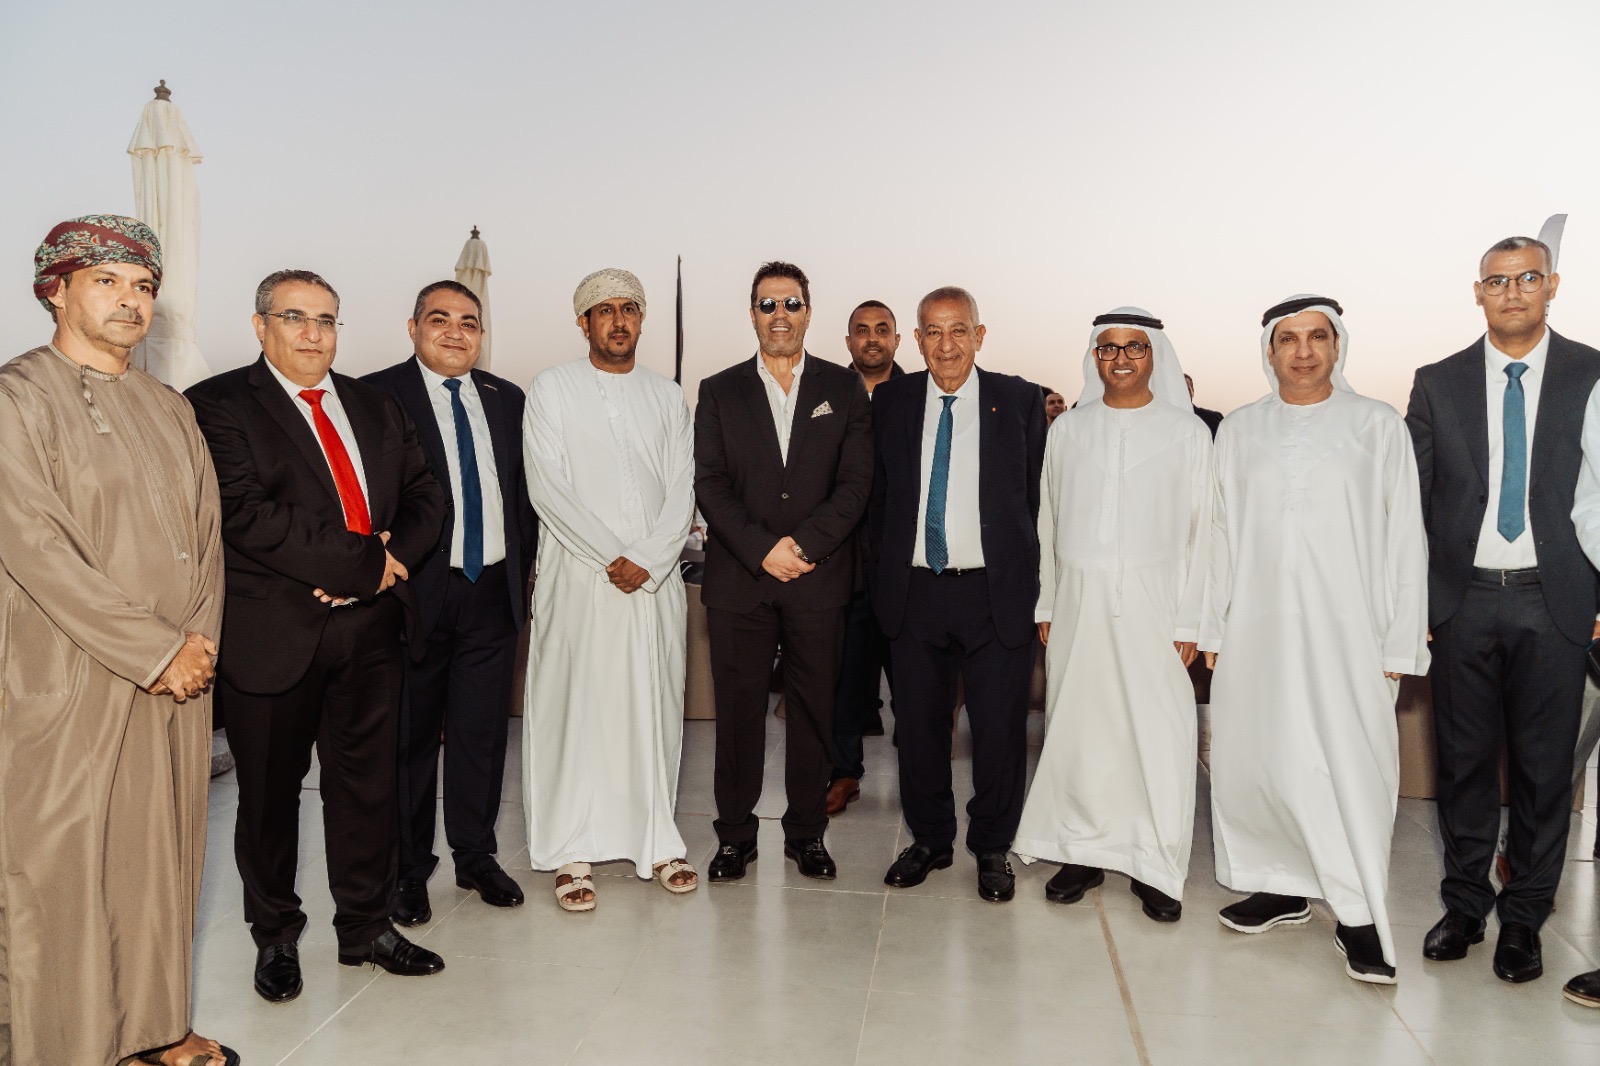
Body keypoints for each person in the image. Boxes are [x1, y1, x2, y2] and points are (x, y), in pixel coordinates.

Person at [0, 215, 235, 1066]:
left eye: (143, 286)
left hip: (175, 678)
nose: (131, 301)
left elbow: (208, 540)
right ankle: (67, 1045)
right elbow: (35, 546)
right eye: (107, 281)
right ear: (56, 290)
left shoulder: (169, 407)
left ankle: (155, 1026)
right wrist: (155, 650)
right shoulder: (17, 399)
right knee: (63, 869)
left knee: (158, 862)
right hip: (67, 677)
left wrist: (196, 644)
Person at [187, 269, 447, 1003]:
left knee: (367, 791)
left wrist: (385, 568)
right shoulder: (216, 405)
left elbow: (427, 495)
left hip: (372, 631)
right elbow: (245, 512)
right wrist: (362, 564)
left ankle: (366, 928)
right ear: (260, 325)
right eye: (295, 317)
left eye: (326, 320)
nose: (313, 333)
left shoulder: (375, 404)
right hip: (273, 634)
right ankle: (275, 935)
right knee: (269, 799)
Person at [1202, 295, 1429, 984]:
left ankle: (1358, 911)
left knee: (1349, 763)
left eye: (1317, 337)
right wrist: (1211, 623)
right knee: (1263, 756)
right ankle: (1280, 883)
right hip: (1257, 628)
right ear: (1269, 352)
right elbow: (1217, 533)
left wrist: (1401, 640)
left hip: (1350, 631)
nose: (1303, 351)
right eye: (1288, 339)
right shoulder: (1240, 429)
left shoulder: (1376, 425)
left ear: (1338, 345)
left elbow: (1405, 537)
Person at [1408, 236, 1600, 987]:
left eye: (1527, 278)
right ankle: (1464, 905)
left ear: (1552, 285)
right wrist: (1417, 600)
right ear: (1477, 292)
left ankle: (1524, 918)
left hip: (1557, 598)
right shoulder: (1438, 382)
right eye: (1497, 280)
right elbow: (1412, 501)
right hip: (1464, 599)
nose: (1513, 292)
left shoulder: (1591, 373)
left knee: (1545, 771)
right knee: (1461, 764)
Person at [1014, 308, 1211, 921]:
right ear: (1094, 357)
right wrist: (1048, 600)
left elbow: (1204, 532)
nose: (1120, 359)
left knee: (1157, 732)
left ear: (1155, 356)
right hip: (1078, 604)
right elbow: (1047, 519)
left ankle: (1155, 863)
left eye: (1134, 348)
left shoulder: (1186, 433)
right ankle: (1083, 850)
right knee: (1083, 729)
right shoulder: (1070, 431)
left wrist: (1190, 620)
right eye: (1108, 349)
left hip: (1158, 608)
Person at [521, 269, 698, 910]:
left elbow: (683, 487)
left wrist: (647, 559)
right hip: (579, 578)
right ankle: (570, 850)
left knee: (651, 706)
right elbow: (547, 487)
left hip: (653, 581)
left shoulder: (667, 396)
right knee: (575, 709)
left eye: (629, 309)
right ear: (584, 322)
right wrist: (611, 556)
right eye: (604, 310)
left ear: (641, 320)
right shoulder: (551, 388)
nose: (618, 321)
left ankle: (657, 841)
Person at [364, 280, 537, 925]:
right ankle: (408, 871)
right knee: (409, 740)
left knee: (481, 735)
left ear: (482, 334)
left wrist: (524, 571)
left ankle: (476, 854)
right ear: (413, 328)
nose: (456, 332)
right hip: (414, 595)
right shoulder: (376, 396)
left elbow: (522, 492)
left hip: (492, 591)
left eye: (469, 322)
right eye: (440, 319)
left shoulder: (507, 399)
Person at [695, 261, 873, 881]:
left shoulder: (843, 388)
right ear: (752, 315)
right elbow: (710, 483)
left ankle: (806, 834)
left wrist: (804, 547)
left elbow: (856, 483)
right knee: (738, 715)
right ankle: (734, 837)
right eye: (767, 305)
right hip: (740, 582)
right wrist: (762, 549)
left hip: (818, 582)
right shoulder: (718, 390)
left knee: (814, 711)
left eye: (791, 304)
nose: (780, 315)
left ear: (808, 313)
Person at [870, 286, 1047, 902]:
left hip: (996, 593)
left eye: (958, 330)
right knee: (919, 727)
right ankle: (930, 839)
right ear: (917, 340)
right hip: (916, 591)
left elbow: (1037, 500)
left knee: (998, 729)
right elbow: (880, 497)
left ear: (979, 335)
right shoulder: (892, 401)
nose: (946, 345)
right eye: (933, 332)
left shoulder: (1019, 401)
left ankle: (992, 845)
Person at [828, 299, 904, 815]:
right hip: (844, 563)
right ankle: (843, 773)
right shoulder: (828, 394)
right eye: (862, 330)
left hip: (905, 565)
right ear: (849, 341)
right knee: (843, 682)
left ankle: (921, 780)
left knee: (916, 686)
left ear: (897, 339)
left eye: (882, 329)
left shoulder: (920, 394)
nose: (872, 338)